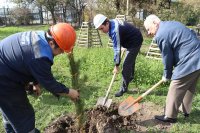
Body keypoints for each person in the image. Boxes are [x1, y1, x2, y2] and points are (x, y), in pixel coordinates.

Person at [0, 23, 80, 132]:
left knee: (10, 113)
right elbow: (49, 83)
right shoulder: (40, 56)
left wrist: (35, 82)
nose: (61, 53)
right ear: (52, 43)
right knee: (23, 116)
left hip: (6, 67)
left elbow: (26, 58)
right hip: (4, 79)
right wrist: (70, 92)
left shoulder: (40, 36)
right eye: (61, 50)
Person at [144, 14, 200, 123]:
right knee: (189, 85)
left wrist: (167, 74)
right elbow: (191, 34)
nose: (148, 33)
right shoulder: (172, 23)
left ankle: (170, 116)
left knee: (176, 85)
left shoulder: (160, 34)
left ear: (155, 23)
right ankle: (185, 111)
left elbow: (167, 56)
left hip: (190, 59)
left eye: (148, 29)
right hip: (198, 55)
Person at [93, 14, 143, 97]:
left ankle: (123, 88)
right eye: (100, 29)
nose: (102, 31)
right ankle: (130, 76)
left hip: (135, 41)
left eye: (102, 28)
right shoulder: (111, 23)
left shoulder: (114, 30)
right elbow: (120, 39)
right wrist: (123, 46)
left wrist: (116, 65)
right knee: (130, 61)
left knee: (126, 65)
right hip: (129, 40)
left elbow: (116, 49)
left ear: (107, 23)